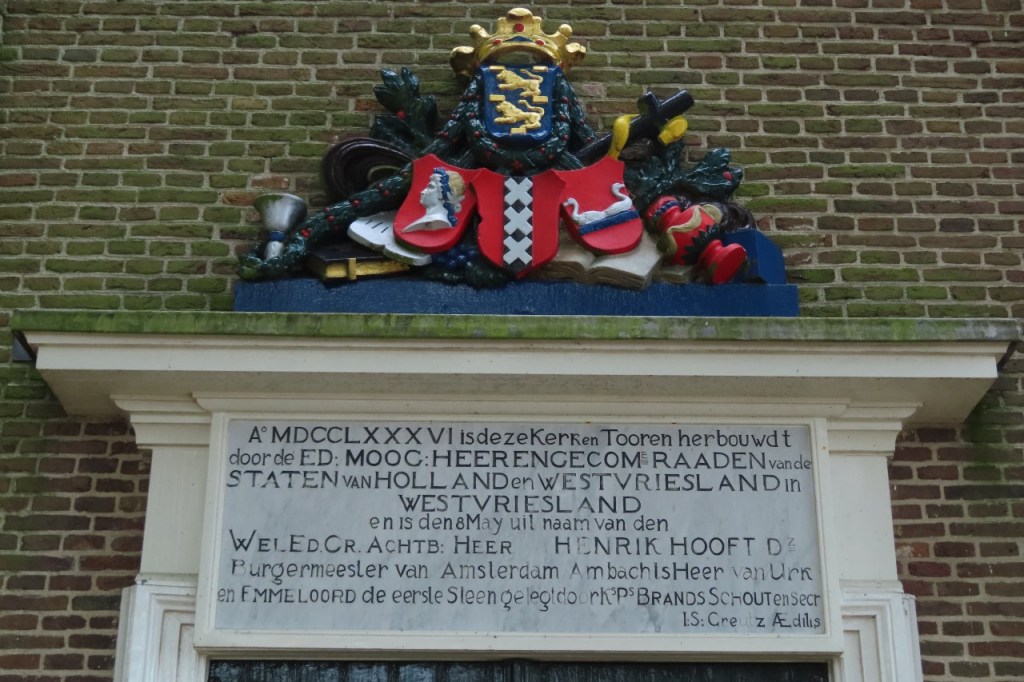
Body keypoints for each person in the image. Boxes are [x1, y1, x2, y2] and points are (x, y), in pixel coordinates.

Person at [402, 168, 465, 232]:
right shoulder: (432, 220)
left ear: (442, 195)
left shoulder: (437, 221)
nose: (422, 192)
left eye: (430, 187)